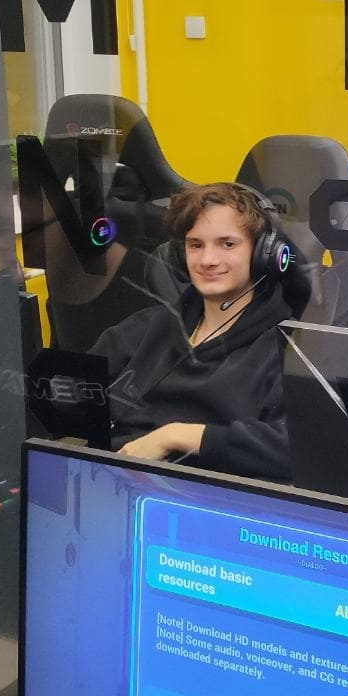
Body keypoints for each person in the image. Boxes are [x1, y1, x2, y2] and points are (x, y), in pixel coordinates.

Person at [94, 182, 292, 480]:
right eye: (196, 245)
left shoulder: (286, 347)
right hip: (113, 482)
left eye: (227, 244)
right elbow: (69, 392)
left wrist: (175, 436)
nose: (208, 260)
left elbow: (297, 447)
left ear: (263, 253)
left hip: (209, 498)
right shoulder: (146, 328)